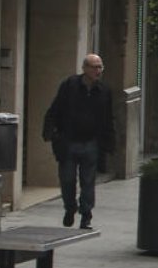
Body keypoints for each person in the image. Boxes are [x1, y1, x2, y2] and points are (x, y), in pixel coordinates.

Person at [42, 53, 115, 229]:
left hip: (90, 142)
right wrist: (50, 131)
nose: (98, 71)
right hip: (69, 141)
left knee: (88, 181)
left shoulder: (104, 91)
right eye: (94, 67)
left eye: (100, 67)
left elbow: (108, 118)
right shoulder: (70, 86)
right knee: (67, 179)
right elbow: (55, 108)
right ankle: (70, 207)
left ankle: (86, 214)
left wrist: (109, 142)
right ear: (85, 69)